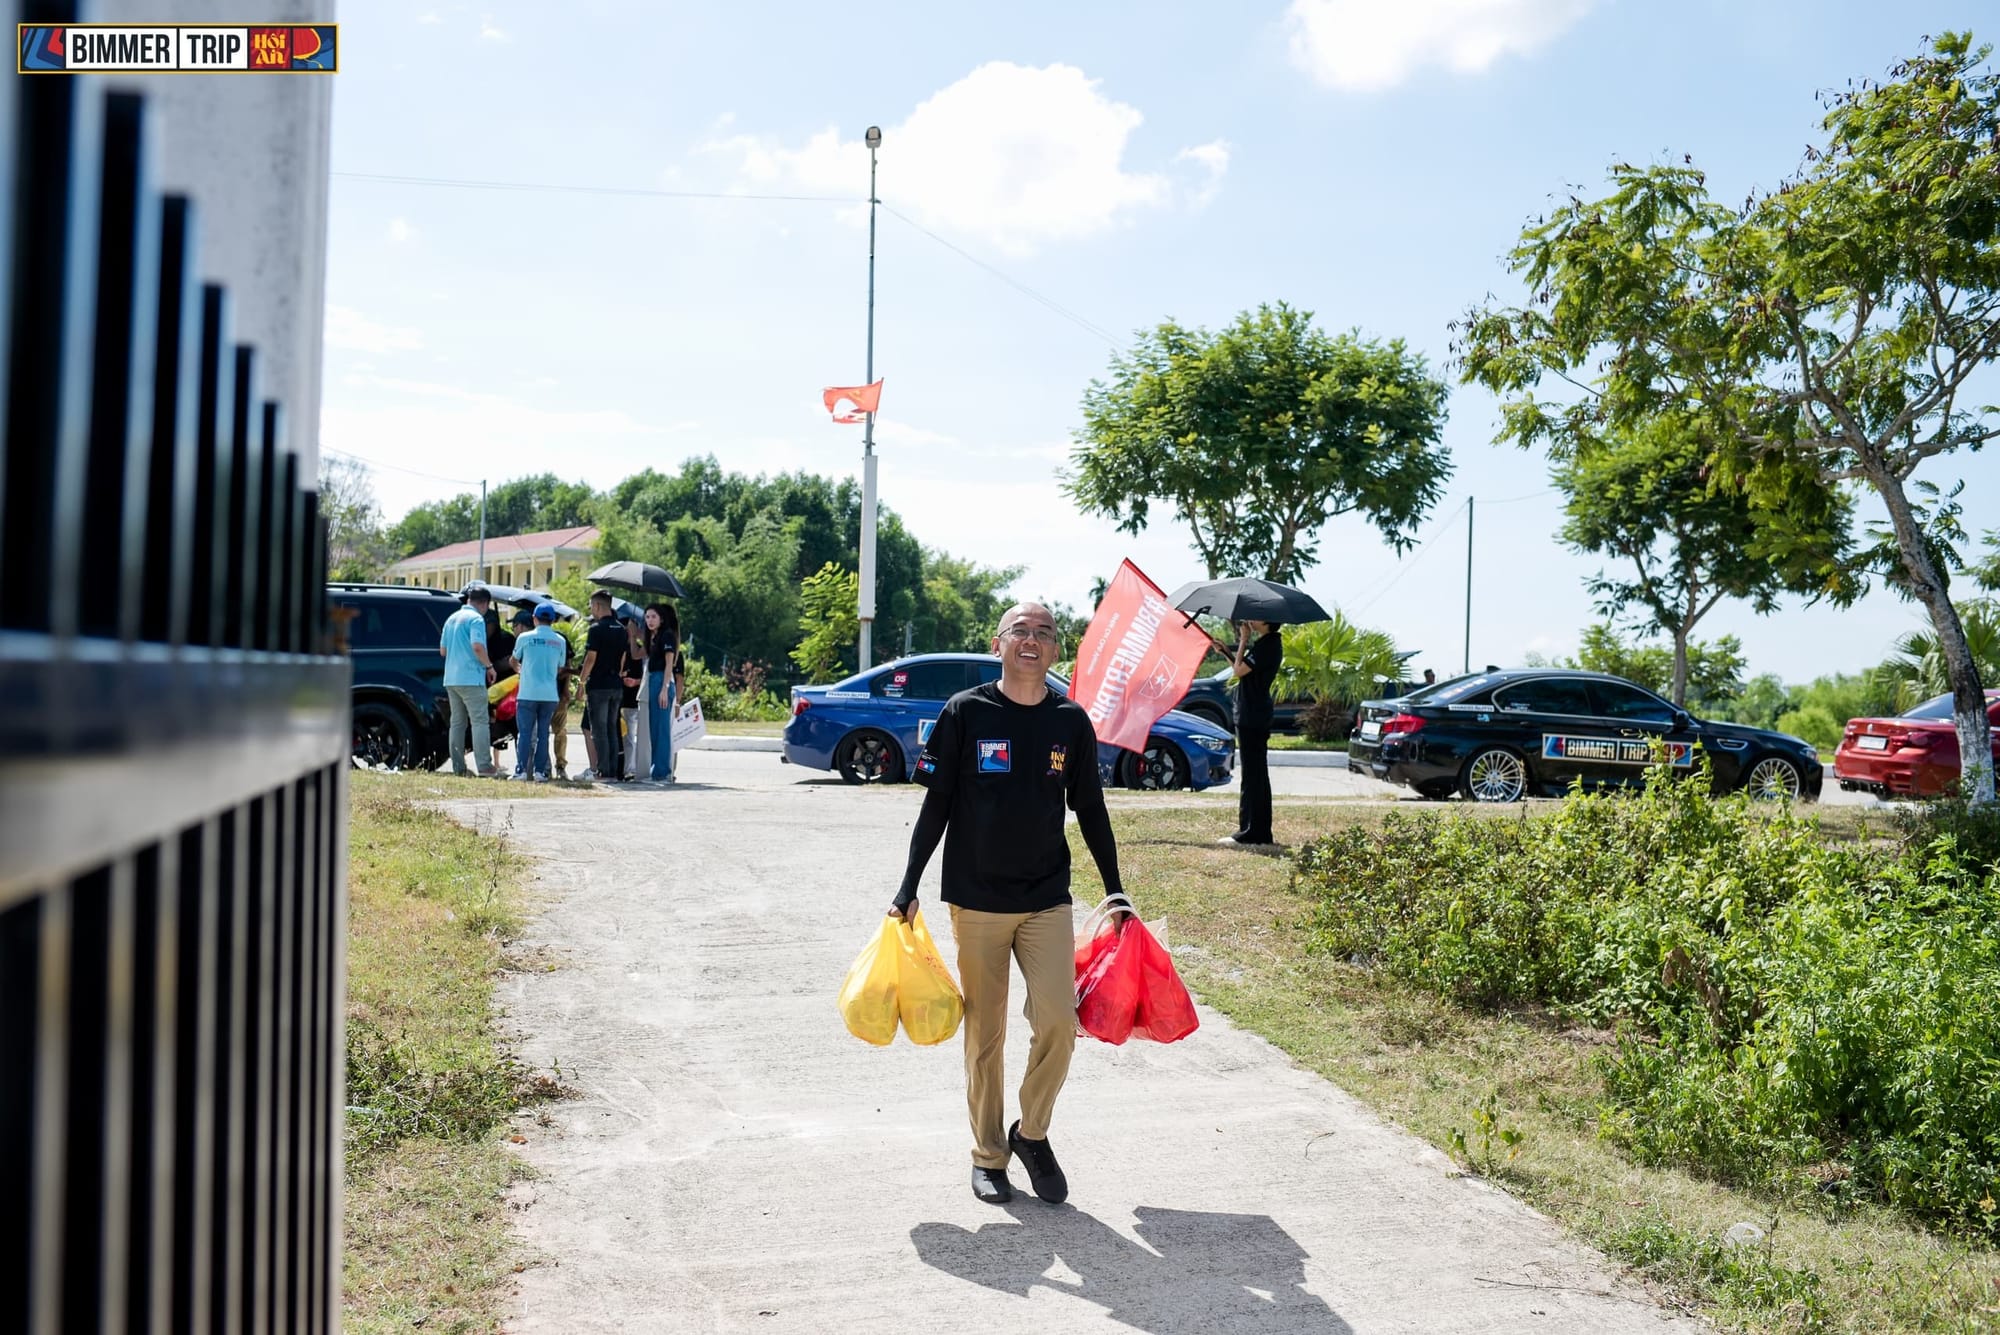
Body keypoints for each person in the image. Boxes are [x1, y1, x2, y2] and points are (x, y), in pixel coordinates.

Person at [889, 602, 1126, 1207]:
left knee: (1059, 1023)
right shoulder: (965, 712)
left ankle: (1032, 1133)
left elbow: (1091, 810)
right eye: (1020, 630)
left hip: (1046, 897)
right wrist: (908, 886)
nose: (1031, 640)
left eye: (1044, 632)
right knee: (985, 1032)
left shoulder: (1070, 721)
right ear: (998, 644)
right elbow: (936, 806)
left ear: (1055, 650)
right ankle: (989, 1155)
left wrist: (1115, 889)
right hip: (977, 900)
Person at [1225, 619, 1282, 847]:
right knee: (1252, 774)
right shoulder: (1265, 644)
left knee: (1253, 775)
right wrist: (1225, 651)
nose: (1250, 620)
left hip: (1253, 716)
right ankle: (1252, 829)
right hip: (1251, 714)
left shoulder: (1268, 645)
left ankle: (1254, 832)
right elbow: (1243, 670)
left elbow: (1239, 671)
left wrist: (1243, 639)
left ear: (1267, 621)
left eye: (1256, 617)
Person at [439, 586, 499, 777]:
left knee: (457, 722)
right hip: (471, 678)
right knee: (480, 721)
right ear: (485, 603)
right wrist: (489, 666)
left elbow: (443, 651)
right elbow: (477, 646)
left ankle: (458, 767)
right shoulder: (476, 619)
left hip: (451, 678)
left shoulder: (451, 619)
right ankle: (485, 766)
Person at [512, 602, 569, 782]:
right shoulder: (560, 641)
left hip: (527, 692)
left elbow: (513, 660)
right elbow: (560, 667)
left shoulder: (524, 638)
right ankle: (540, 772)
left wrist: (520, 670)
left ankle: (521, 771)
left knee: (525, 734)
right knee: (543, 734)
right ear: (552, 620)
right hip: (549, 694)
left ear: (534, 619)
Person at [578, 591, 629, 783]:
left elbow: (591, 658)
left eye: (591, 606)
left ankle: (602, 772)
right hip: (616, 684)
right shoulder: (622, 629)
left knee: (599, 730)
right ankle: (612, 771)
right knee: (612, 729)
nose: (591, 610)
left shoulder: (596, 629)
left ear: (598, 606)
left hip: (599, 685)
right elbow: (623, 658)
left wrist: (581, 682)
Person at [643, 603, 679, 783]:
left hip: (662, 681)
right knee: (654, 729)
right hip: (653, 680)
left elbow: (669, 664)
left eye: (653, 617)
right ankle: (656, 769)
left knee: (662, 729)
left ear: (661, 619)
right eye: (647, 617)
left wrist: (664, 688)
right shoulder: (654, 637)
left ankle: (662, 772)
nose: (650, 620)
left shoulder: (667, 636)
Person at [618, 615, 646, 779]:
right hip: (621, 699)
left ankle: (632, 768)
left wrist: (635, 682)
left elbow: (648, 675)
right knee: (624, 737)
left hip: (636, 699)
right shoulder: (619, 649)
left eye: (631, 628)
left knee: (632, 737)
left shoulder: (641, 651)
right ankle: (625, 768)